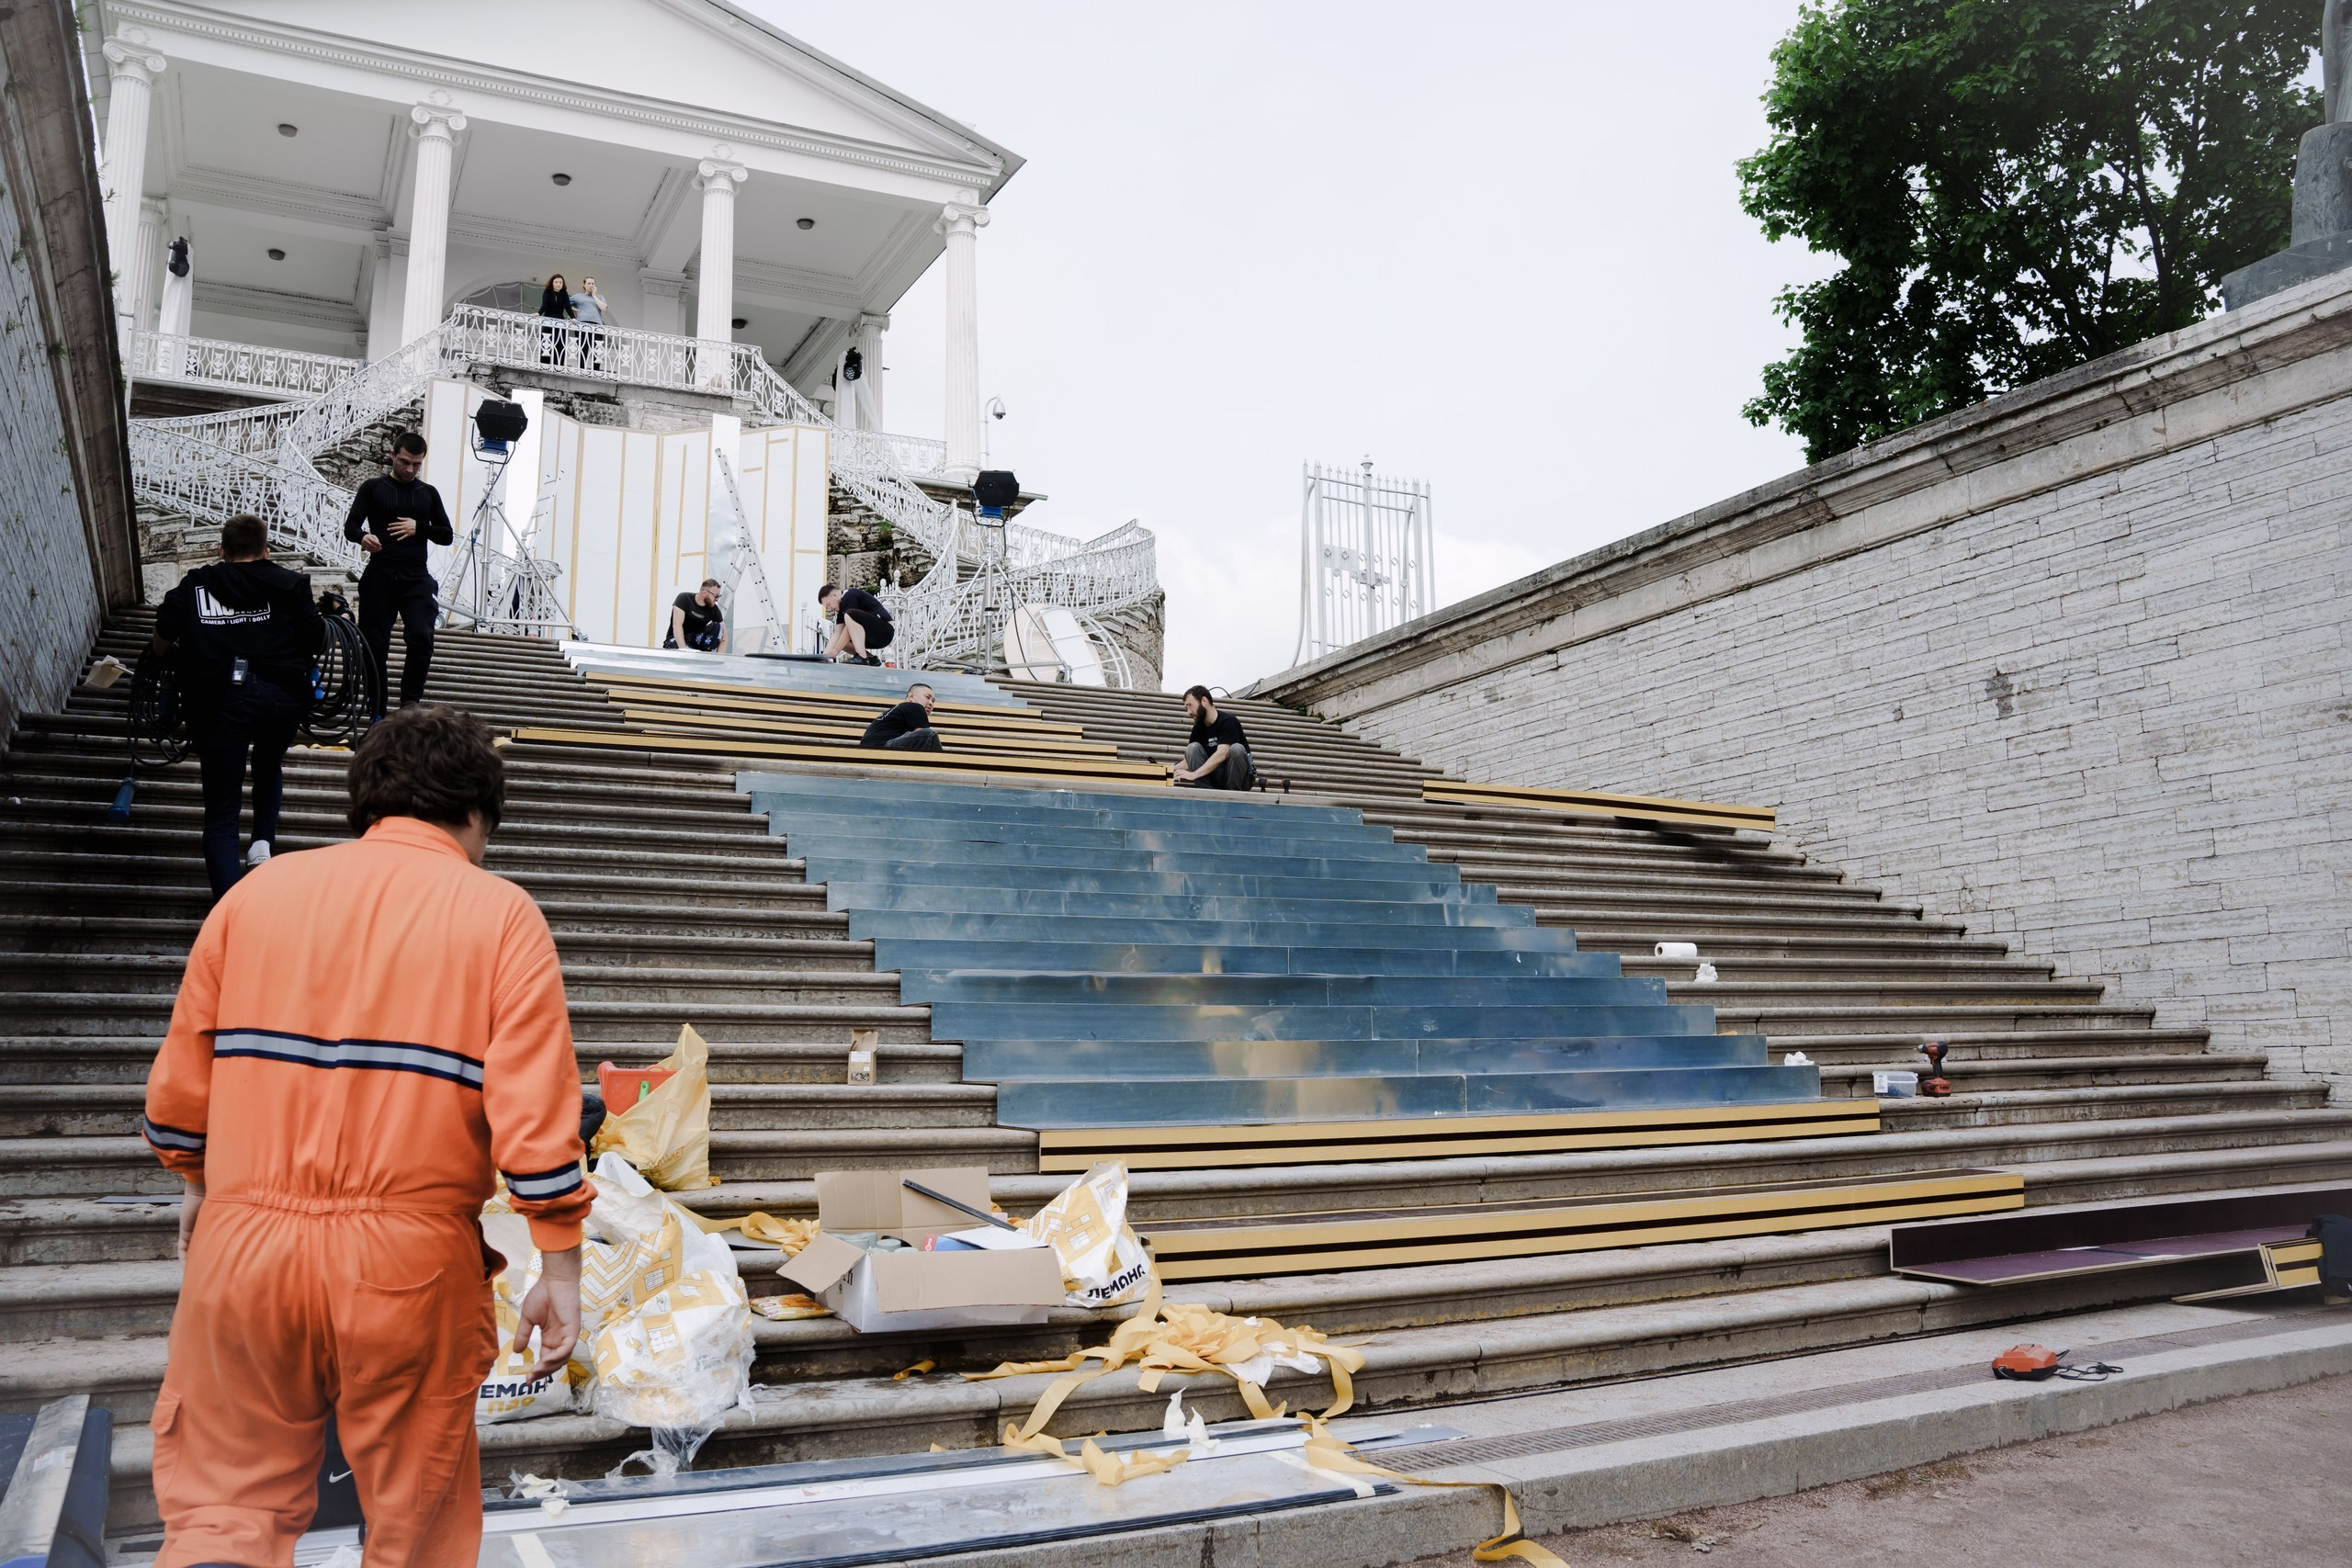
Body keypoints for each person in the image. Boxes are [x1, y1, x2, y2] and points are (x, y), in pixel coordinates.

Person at [142, 704, 592, 1568]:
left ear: (366, 802)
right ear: (475, 814)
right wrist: (558, 1267)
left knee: (223, 1510)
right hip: (406, 1267)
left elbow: (177, 1094)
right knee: (412, 1528)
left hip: (242, 1251)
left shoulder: (251, 897)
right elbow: (536, 1121)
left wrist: (201, 1194)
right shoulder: (500, 915)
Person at [152, 513, 324, 897]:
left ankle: (230, 917)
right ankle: (262, 841)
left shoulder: (197, 583)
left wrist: (168, 656)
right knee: (268, 765)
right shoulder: (290, 583)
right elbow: (318, 640)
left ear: (221, 550)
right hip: (282, 696)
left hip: (220, 701)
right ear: (265, 551)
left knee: (222, 815)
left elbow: (163, 634)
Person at [345, 431, 455, 716]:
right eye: (405, 462)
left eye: (416, 464)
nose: (410, 470)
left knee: (421, 634)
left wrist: (420, 527)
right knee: (375, 644)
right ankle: (377, 709)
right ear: (393, 456)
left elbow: (446, 535)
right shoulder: (372, 487)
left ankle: (409, 704)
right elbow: (351, 526)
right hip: (380, 573)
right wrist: (363, 537)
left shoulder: (428, 493)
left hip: (415, 575)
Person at [1174, 683, 1254, 790]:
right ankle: (1205, 792)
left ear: (1204, 701)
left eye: (1190, 705)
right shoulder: (1198, 728)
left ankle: (1233, 793)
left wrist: (1194, 774)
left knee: (1236, 749)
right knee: (1192, 748)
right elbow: (1188, 761)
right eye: (1186, 708)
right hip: (1215, 778)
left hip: (1239, 779)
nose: (1188, 712)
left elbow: (1222, 754)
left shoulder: (1228, 721)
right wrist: (1167, 769)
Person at [819, 582, 894, 665]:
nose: (829, 609)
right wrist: (823, 657)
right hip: (873, 635)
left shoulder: (849, 595)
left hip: (884, 631)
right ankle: (871, 659)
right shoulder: (840, 610)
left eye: (828, 605)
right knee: (842, 641)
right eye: (827, 608)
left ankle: (862, 657)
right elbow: (837, 634)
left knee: (850, 615)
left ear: (835, 595)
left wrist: (836, 650)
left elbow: (851, 623)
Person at [861, 682, 943, 750]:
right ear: (911, 696)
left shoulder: (899, 709)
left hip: (868, 748)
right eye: (927, 697)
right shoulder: (915, 706)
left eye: (933, 701)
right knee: (929, 735)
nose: (931, 703)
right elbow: (923, 735)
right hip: (882, 746)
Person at [665, 579, 727, 651]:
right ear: (704, 592)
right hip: (676, 640)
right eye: (715, 596)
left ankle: (704, 654)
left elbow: (724, 635)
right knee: (676, 644)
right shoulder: (684, 598)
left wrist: (719, 658)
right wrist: (684, 651)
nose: (716, 600)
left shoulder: (714, 609)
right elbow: (677, 625)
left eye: (719, 597)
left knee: (718, 627)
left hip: (695, 642)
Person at [571, 276, 610, 372]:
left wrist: (594, 296)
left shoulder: (599, 297)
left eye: (593, 283)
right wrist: (574, 309)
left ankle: (596, 371)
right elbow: (565, 303)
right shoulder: (578, 296)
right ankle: (581, 370)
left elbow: (603, 308)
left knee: (597, 349)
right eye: (589, 283)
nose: (591, 285)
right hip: (582, 324)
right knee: (583, 347)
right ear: (584, 285)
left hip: (597, 325)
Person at [537, 273, 572, 367]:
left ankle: (558, 367)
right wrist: (539, 313)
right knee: (546, 343)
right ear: (552, 283)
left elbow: (568, 306)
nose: (558, 284)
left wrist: (573, 317)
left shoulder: (564, 293)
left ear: (563, 284)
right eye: (556, 282)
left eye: (561, 282)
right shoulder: (547, 292)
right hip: (548, 319)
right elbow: (544, 304)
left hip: (560, 320)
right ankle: (544, 366)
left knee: (560, 344)